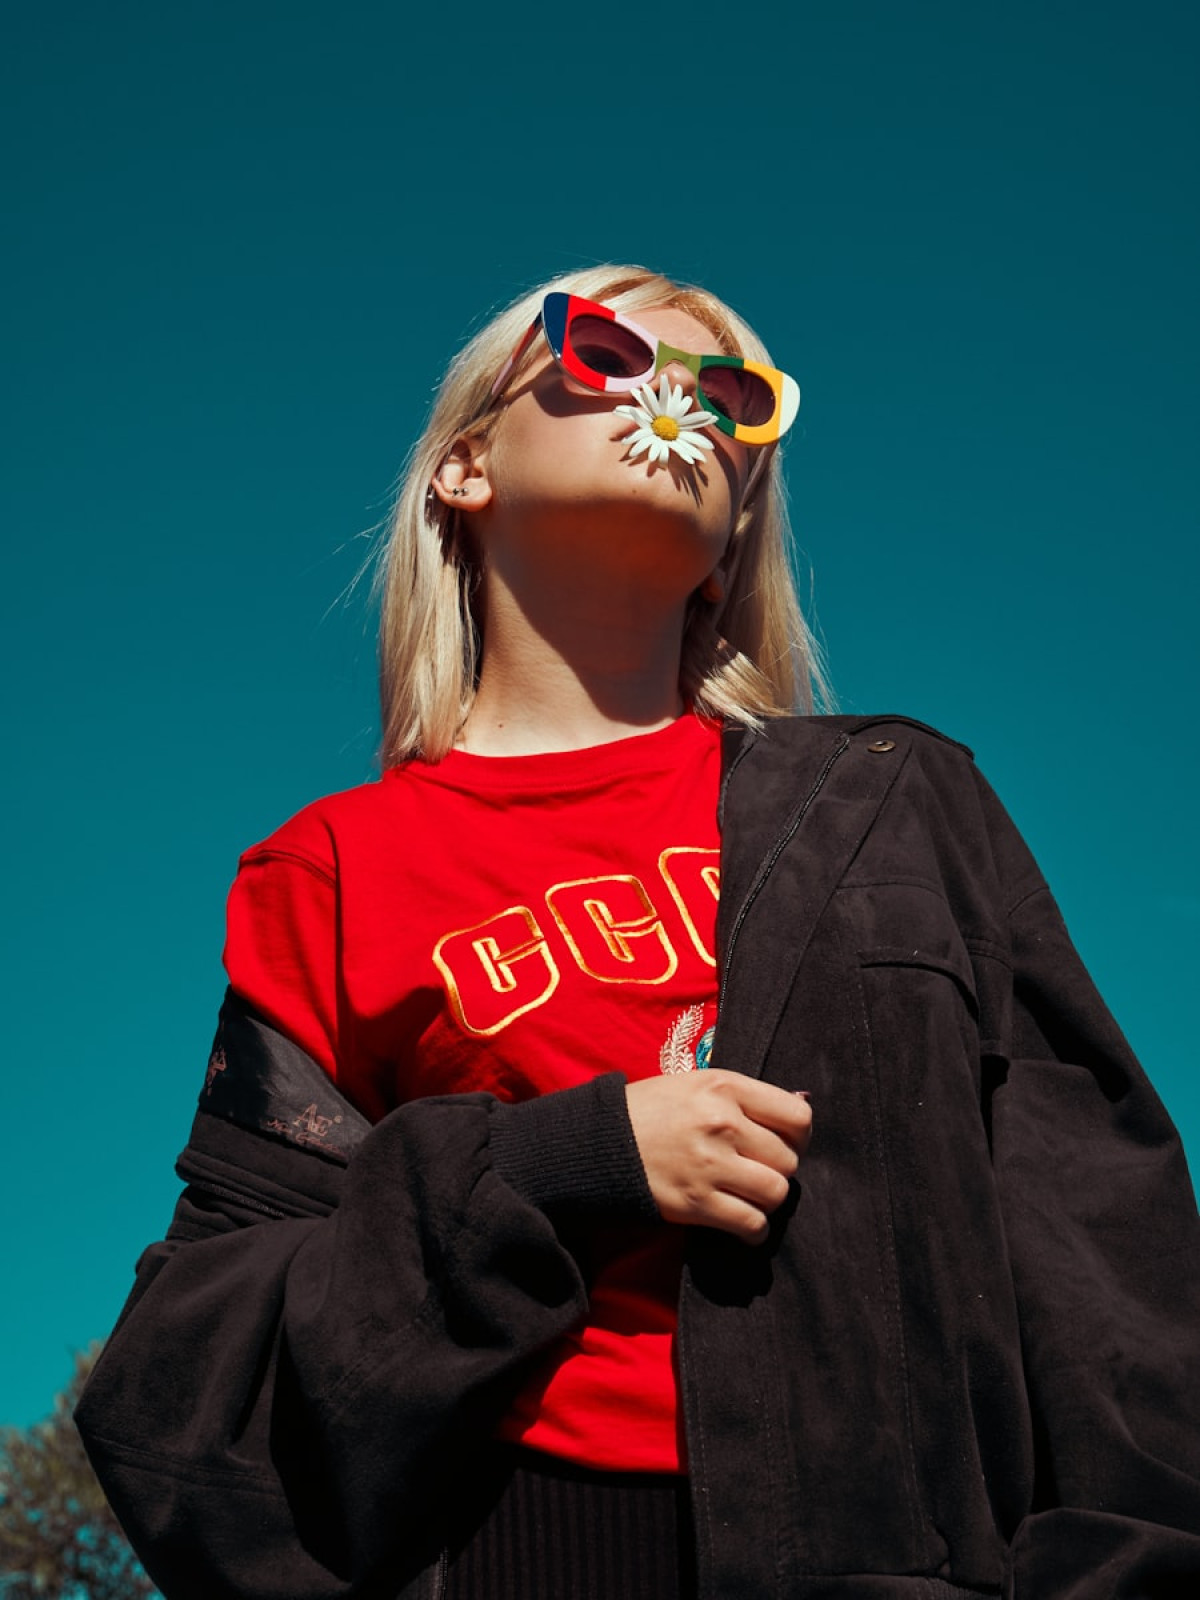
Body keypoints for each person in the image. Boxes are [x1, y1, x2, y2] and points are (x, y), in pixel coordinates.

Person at [76, 266, 1200, 1600]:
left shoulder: (896, 807)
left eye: (732, 393)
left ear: (736, 531)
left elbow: (1109, 1261)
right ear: (466, 468)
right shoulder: (329, 867)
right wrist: (566, 1160)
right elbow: (194, 1373)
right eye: (603, 351)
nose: (679, 400)